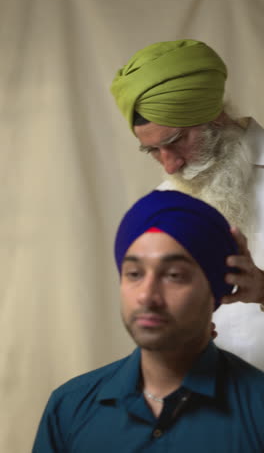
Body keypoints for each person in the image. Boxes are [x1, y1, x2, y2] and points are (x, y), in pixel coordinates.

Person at [32, 190, 264, 452]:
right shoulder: (69, 408)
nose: (147, 295)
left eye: (174, 275)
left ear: (215, 290)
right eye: (134, 273)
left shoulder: (257, 410)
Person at [110, 39, 264, 370]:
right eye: (153, 151)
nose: (170, 166)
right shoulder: (165, 203)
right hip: (200, 409)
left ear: (215, 116)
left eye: (176, 141)